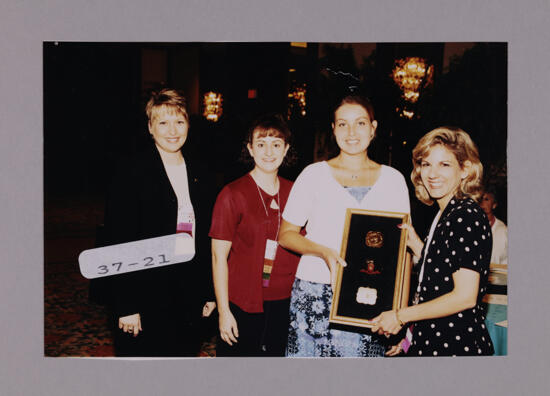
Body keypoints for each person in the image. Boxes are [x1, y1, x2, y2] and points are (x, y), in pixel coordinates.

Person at [278, 95, 410, 357]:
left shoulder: (393, 180)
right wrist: (324, 252)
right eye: (342, 124)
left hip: (373, 297)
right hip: (315, 292)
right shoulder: (313, 175)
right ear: (333, 129)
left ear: (373, 128)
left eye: (360, 123)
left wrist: (401, 315)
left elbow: (403, 251)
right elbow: (286, 235)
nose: (351, 132)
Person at [102, 88, 216, 357]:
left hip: (188, 294)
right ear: (150, 127)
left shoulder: (201, 171)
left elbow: (208, 237)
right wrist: (126, 305)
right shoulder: (131, 172)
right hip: (145, 294)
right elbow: (117, 239)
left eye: (179, 121)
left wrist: (209, 292)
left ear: (188, 124)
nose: (172, 130)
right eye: (163, 122)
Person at [372, 127, 495, 357]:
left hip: (456, 347)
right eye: (426, 164)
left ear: (465, 170)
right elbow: (441, 275)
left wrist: (400, 316)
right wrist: (409, 340)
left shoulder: (465, 214)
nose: (432, 173)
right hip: (432, 341)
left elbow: (464, 296)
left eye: (444, 164)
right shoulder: (445, 213)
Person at [210, 114, 300, 356]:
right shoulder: (231, 194)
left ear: (286, 149)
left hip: (286, 302)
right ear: (250, 149)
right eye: (261, 144)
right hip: (243, 302)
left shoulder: (297, 192)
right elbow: (219, 258)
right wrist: (224, 310)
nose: (268, 152)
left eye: (276, 144)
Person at [480, 186, 508, 265]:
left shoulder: (503, 231)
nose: (482, 203)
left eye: (486, 199)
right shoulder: (471, 226)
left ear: (494, 205)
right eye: (480, 199)